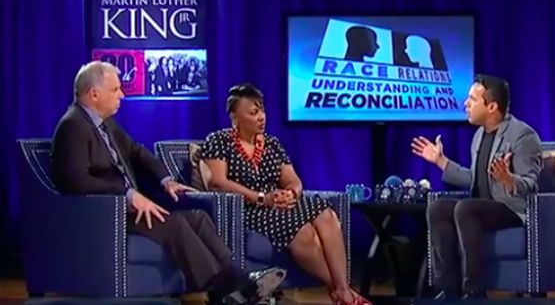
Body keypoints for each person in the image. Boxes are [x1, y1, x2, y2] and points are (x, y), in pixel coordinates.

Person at [50, 61, 284, 305]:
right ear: (94, 94)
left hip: (127, 207)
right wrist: (128, 194)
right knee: (176, 226)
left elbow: (138, 152)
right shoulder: (73, 126)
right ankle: (233, 288)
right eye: (115, 89)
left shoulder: (105, 123)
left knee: (197, 218)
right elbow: (75, 182)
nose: (122, 94)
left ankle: (236, 282)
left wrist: (166, 180)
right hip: (104, 214)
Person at [199, 83, 371, 305]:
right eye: (253, 113)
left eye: (262, 111)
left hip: (277, 204)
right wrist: (261, 198)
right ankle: (344, 293)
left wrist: (291, 193)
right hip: (248, 209)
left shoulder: (272, 143)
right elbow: (218, 182)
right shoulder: (219, 141)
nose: (261, 117)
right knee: (306, 234)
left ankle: (342, 291)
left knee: (326, 214)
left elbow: (292, 179)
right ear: (235, 117)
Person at [411, 74, 542, 300]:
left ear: (491, 106)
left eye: (472, 99)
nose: (465, 104)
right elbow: (474, 178)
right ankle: (448, 290)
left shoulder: (522, 135)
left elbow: (531, 185)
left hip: (512, 209)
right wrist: (440, 161)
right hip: (481, 206)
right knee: (438, 208)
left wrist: (508, 179)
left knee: (465, 208)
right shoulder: (479, 135)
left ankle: (474, 292)